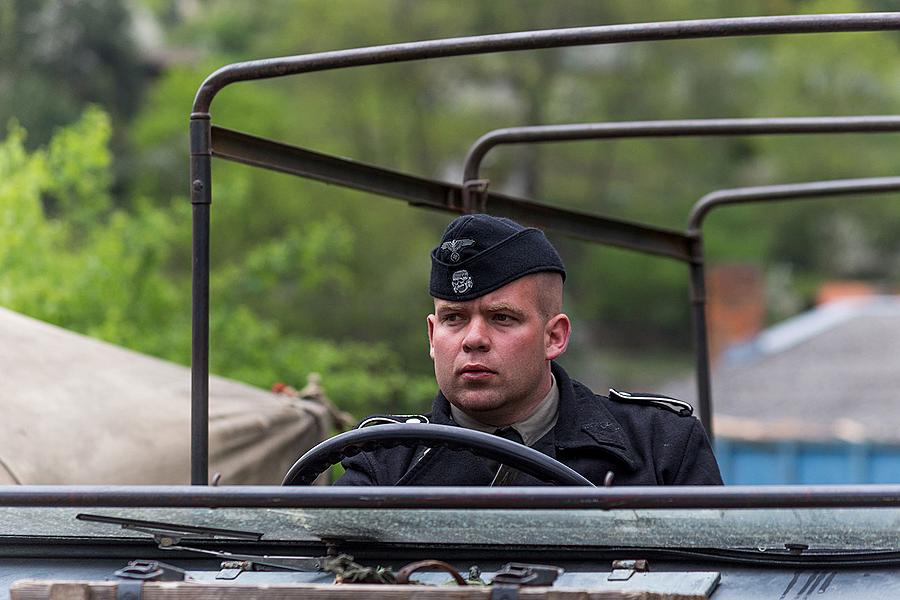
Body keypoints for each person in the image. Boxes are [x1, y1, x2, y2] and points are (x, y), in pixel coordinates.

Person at [335, 214, 722, 486]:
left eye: (502, 318)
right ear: (432, 336)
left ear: (554, 337)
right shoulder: (381, 462)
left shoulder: (659, 447)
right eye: (454, 318)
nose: (473, 339)